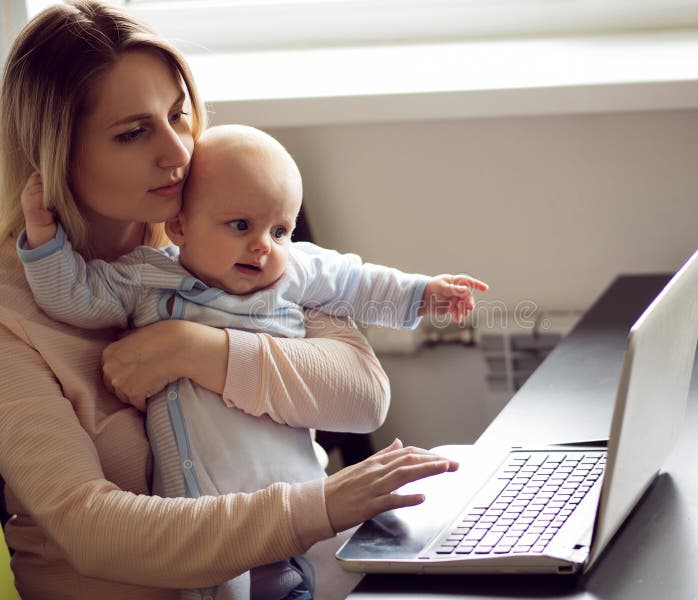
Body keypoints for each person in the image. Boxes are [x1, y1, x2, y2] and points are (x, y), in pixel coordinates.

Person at [0, 2, 460, 599]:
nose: (177, 153)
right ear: (55, 151)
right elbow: (91, 529)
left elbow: (363, 396)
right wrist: (316, 508)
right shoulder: (15, 319)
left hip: (298, 576)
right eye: (134, 133)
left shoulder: (224, 226)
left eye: (177, 115)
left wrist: (198, 350)